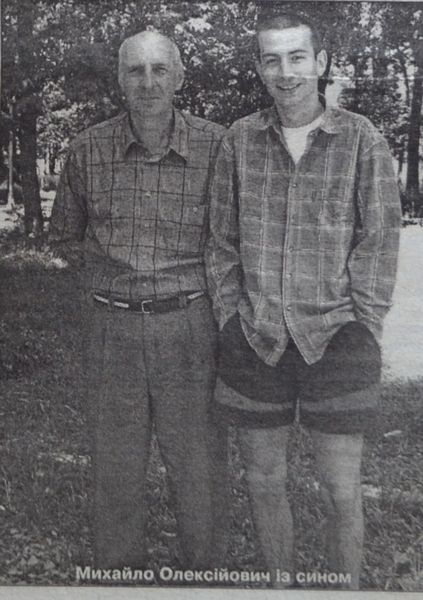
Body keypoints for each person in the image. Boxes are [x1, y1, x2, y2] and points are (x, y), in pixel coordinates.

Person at [206, 11, 401, 589]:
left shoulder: (362, 139)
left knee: (341, 491)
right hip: (255, 338)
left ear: (320, 63)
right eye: (272, 59)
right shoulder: (238, 140)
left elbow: (380, 240)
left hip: (338, 340)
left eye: (296, 57)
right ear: (259, 68)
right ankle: (281, 591)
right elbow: (219, 242)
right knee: (264, 484)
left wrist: (363, 323)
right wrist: (230, 317)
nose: (285, 71)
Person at [49, 31, 228, 571]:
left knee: (199, 462)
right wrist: (110, 290)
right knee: (116, 463)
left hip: (190, 325)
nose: (148, 82)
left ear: (179, 77)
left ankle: (208, 572)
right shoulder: (87, 149)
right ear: (120, 81)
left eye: (159, 69)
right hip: (113, 328)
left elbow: (235, 239)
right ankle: (118, 573)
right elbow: (65, 237)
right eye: (135, 70)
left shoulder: (218, 147)